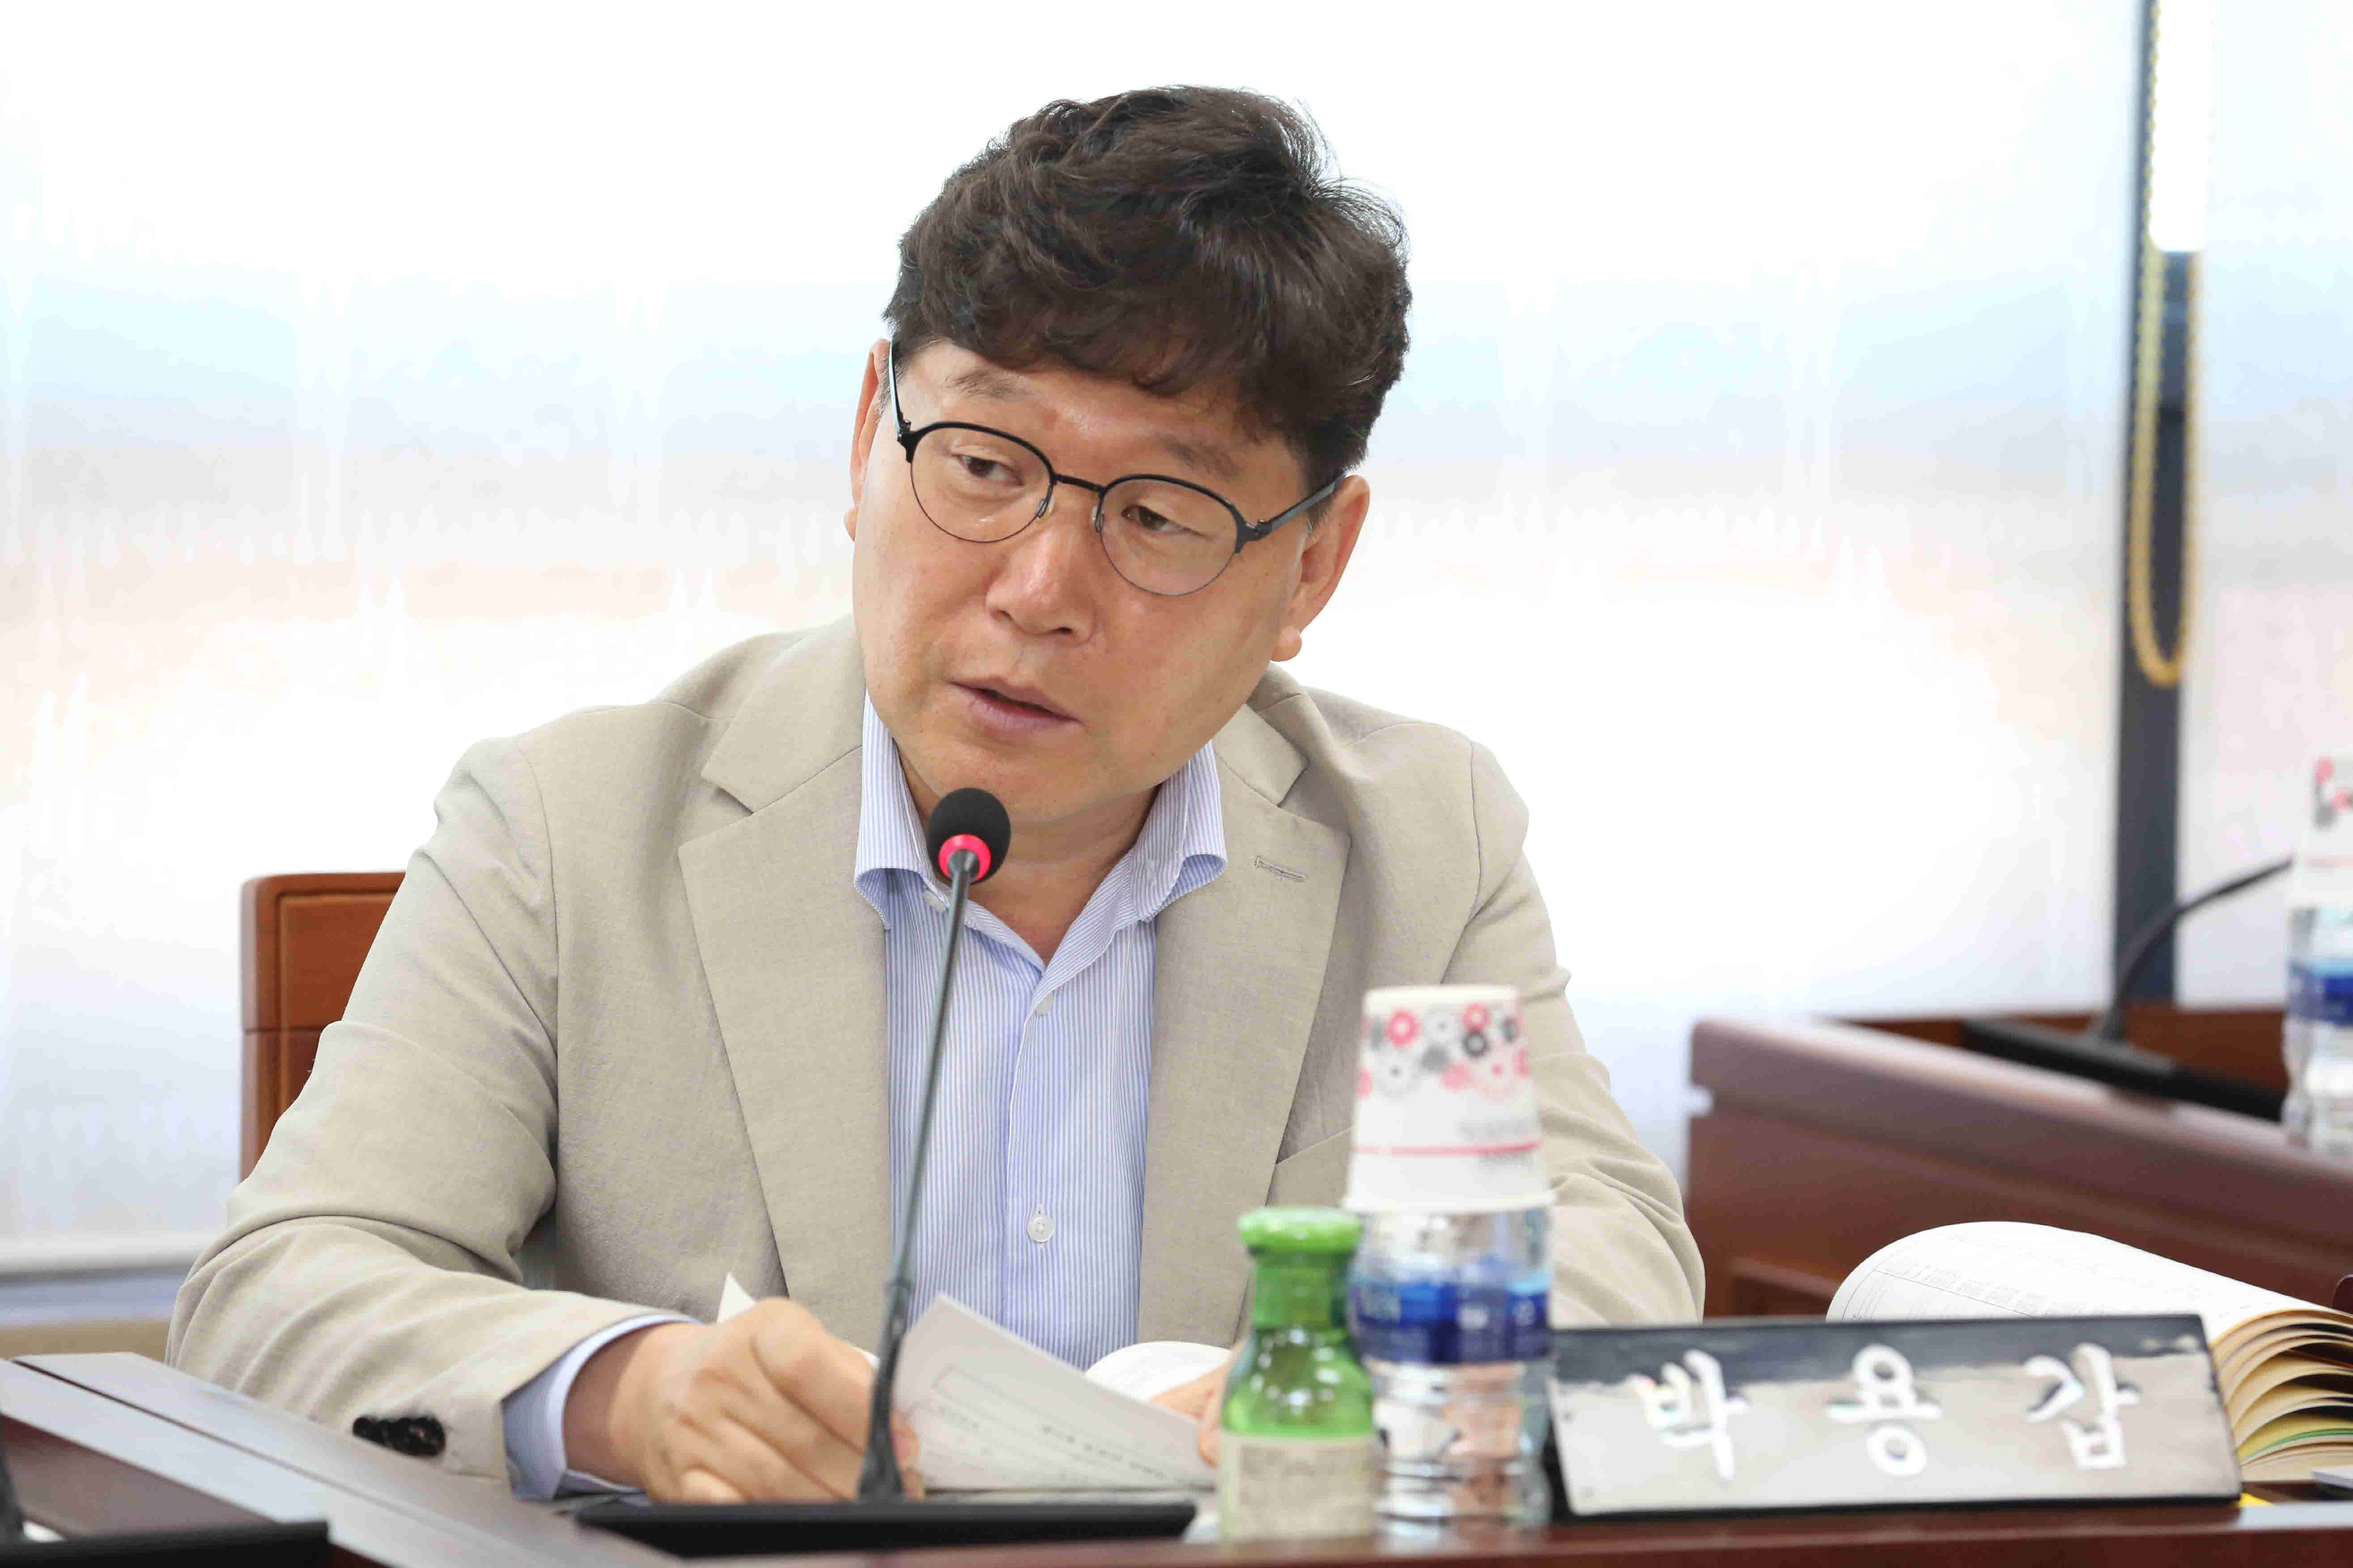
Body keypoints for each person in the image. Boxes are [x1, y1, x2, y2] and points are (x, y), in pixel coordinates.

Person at [168, 84, 1702, 1502]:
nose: (1039, 589)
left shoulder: (1421, 838)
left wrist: (1362, 1365)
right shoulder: (567, 824)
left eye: (1159, 514)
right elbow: (277, 1292)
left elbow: (1615, 1250)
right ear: (867, 435)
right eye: (980, 463)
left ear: (1311, 565)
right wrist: (627, 1394)